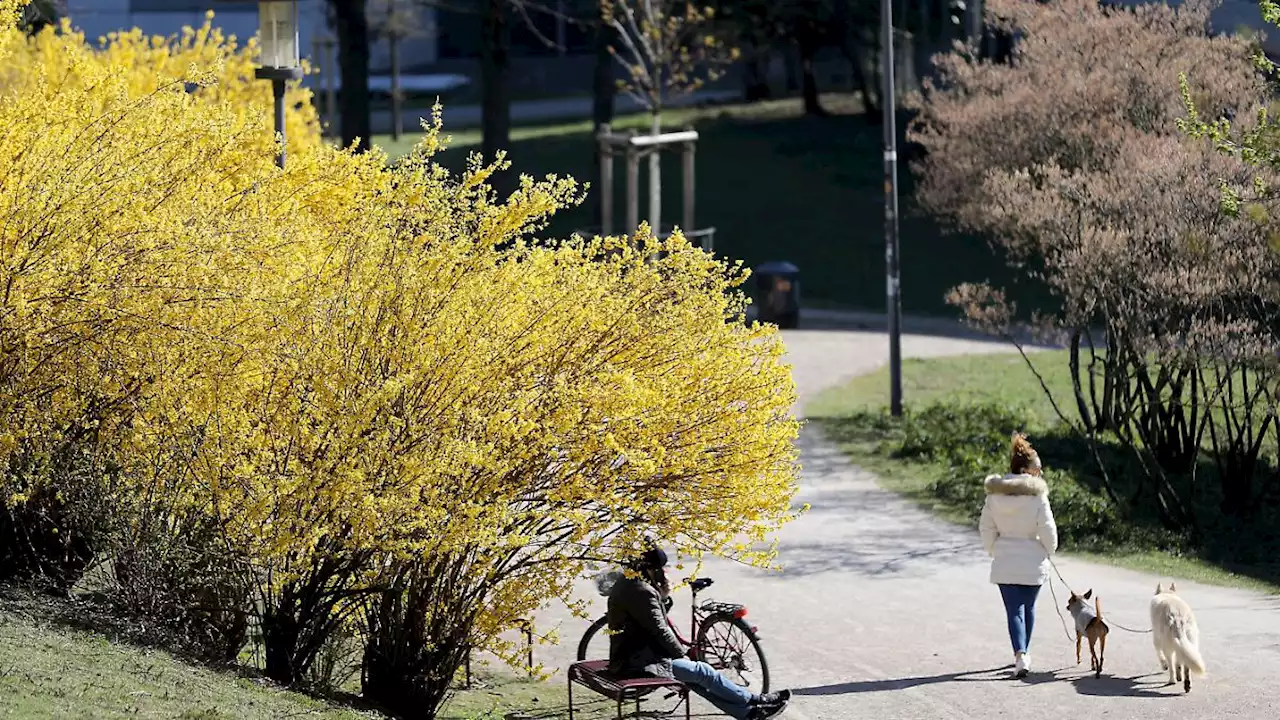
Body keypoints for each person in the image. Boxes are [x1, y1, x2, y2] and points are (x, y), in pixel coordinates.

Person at [607, 543, 791, 719]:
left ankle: (748, 714)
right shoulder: (642, 591)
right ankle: (756, 700)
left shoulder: (629, 582)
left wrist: (663, 597)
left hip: (638, 657)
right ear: (651, 568)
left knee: (696, 679)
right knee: (701, 671)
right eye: (660, 568)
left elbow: (651, 621)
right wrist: (682, 655)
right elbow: (660, 630)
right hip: (639, 663)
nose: (663, 572)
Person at [979, 433, 1059, 679]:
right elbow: (1047, 528)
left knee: (1013, 610)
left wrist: (994, 548)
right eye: (1038, 470)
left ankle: (1020, 653)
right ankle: (1025, 653)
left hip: (1005, 559)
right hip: (1032, 559)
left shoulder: (995, 494)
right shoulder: (1037, 496)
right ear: (1026, 470)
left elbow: (986, 527)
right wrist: (1049, 548)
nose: (1040, 474)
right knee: (1029, 606)